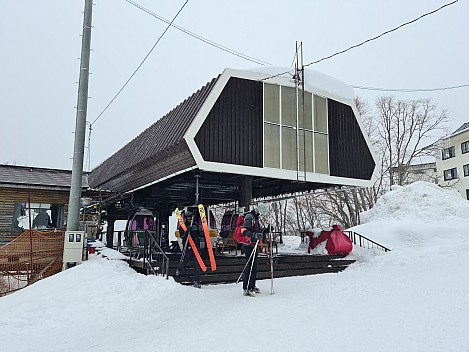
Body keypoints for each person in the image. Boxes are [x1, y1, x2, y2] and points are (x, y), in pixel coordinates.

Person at [176, 211, 204, 288]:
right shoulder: (183, 226)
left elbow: (201, 235)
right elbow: (182, 236)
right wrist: (186, 232)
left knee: (197, 264)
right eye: (188, 218)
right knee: (184, 261)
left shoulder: (195, 225)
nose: (190, 220)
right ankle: (179, 269)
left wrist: (199, 230)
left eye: (190, 218)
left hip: (195, 247)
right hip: (188, 247)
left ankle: (196, 281)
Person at [240, 209, 262, 297]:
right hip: (248, 246)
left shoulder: (256, 219)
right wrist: (254, 235)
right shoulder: (249, 217)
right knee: (250, 266)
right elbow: (244, 231)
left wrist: (266, 230)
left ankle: (252, 285)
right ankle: (247, 287)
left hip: (254, 245)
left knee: (254, 266)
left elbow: (258, 231)